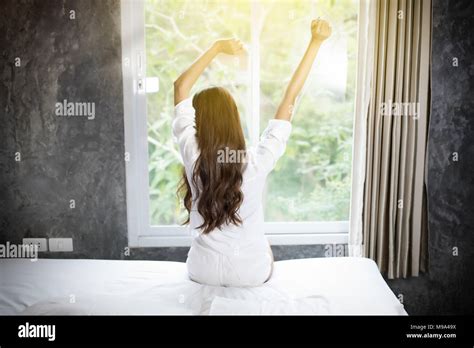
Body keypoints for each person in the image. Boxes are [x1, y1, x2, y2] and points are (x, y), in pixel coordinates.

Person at [173, 19, 332, 287]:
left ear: (199, 123)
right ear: (233, 121)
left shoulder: (192, 154)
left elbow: (180, 87)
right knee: (264, 248)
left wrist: (215, 48)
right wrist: (315, 42)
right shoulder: (256, 160)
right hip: (249, 274)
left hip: (202, 271)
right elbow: (289, 99)